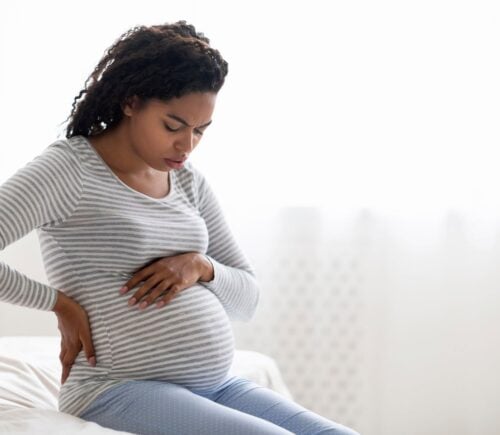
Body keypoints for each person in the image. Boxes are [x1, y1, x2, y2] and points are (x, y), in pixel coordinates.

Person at [0, 20, 360, 435]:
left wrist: (200, 266)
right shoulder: (70, 169)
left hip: (215, 385)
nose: (186, 145)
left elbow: (247, 299)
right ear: (131, 102)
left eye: (200, 131)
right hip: (118, 387)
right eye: (173, 126)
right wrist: (58, 303)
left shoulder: (188, 181)